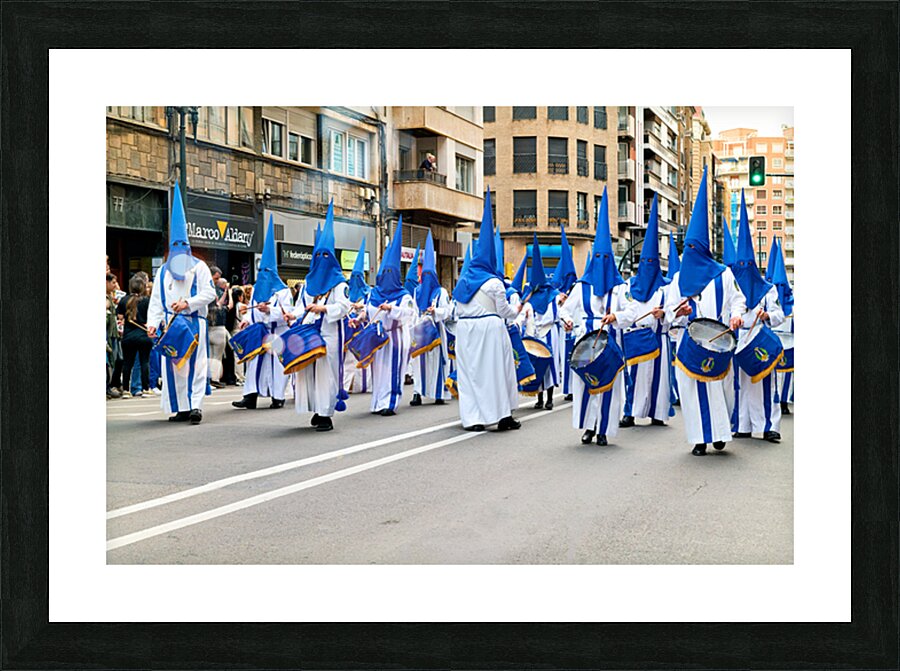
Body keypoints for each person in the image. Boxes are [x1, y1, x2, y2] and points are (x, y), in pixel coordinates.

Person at [663, 168, 746, 456]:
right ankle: (699, 438)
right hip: (690, 344)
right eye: (687, 248)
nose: (690, 252)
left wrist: (736, 315)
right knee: (690, 390)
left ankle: (720, 433)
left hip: (719, 340)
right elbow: (669, 312)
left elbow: (738, 299)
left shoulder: (723, 274)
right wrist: (679, 312)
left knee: (720, 388)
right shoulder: (678, 280)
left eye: (694, 248)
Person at [559, 187, 631, 446]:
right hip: (585, 340)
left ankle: (604, 429)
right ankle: (588, 427)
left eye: (605, 258)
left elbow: (631, 312)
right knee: (586, 385)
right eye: (597, 257)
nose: (601, 262)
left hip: (610, 341)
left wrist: (616, 317)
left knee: (609, 385)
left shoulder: (620, 288)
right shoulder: (581, 287)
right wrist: (567, 320)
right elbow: (565, 309)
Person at [146, 182, 216, 424]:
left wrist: (188, 303)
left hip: (194, 321)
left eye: (182, 245)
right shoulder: (163, 271)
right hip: (170, 324)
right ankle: (181, 408)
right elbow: (157, 300)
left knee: (196, 365)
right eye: (174, 246)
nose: (178, 250)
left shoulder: (200, 267)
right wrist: (153, 323)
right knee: (174, 365)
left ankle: (195, 406)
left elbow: (210, 293)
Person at [451, 190, 521, 432]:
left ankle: (473, 419)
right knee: (496, 373)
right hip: (490, 329)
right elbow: (504, 311)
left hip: (465, 330)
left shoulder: (462, 282)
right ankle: (502, 416)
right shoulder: (494, 283)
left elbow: (456, 309)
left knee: (470, 375)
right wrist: (516, 310)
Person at [287, 201, 352, 431]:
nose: (322, 259)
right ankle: (317, 408)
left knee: (326, 374)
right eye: (318, 255)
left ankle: (326, 414)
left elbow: (344, 307)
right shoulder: (307, 284)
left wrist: (324, 309)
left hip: (330, 335)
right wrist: (291, 315)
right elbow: (301, 307)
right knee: (310, 373)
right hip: (309, 334)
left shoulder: (340, 284)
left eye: (326, 255)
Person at [731, 191, 785, 443]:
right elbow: (727, 311)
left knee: (766, 385)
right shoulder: (732, 288)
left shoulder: (768, 289)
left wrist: (766, 315)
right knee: (741, 385)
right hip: (740, 343)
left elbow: (779, 315)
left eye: (747, 267)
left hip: (760, 340)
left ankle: (769, 426)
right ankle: (742, 424)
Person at [618, 194, 673, 429]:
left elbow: (673, 311)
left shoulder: (667, 288)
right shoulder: (631, 287)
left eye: (652, 264)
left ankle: (658, 413)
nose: (648, 268)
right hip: (639, 337)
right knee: (636, 376)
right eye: (644, 264)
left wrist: (665, 314)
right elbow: (629, 312)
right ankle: (630, 412)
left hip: (660, 337)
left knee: (660, 378)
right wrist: (616, 317)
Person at [232, 216, 293, 410]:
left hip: (277, 334)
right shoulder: (257, 290)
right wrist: (246, 320)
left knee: (277, 366)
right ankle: (250, 396)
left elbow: (288, 313)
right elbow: (252, 309)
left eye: (267, 270)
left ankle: (278, 396)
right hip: (260, 333)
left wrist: (270, 310)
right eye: (261, 270)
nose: (263, 274)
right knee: (254, 363)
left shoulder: (283, 291)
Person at [361, 216, 416, 416]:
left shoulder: (404, 295)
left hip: (395, 337)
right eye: (384, 272)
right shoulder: (374, 293)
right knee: (378, 371)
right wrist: (359, 317)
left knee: (393, 369)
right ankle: (377, 402)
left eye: (390, 272)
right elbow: (368, 311)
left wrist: (391, 308)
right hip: (377, 338)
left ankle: (390, 403)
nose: (386, 275)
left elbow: (409, 313)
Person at [411, 231, 451, 406]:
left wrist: (435, 311)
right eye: (424, 275)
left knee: (435, 362)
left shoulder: (441, 292)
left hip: (436, 330)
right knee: (418, 363)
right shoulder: (417, 291)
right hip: (421, 330)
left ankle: (438, 392)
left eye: (429, 275)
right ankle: (417, 392)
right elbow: (414, 310)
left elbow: (447, 311)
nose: (426, 278)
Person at [525, 234, 561, 411]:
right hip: (535, 334)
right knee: (536, 365)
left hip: (549, 333)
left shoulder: (553, 296)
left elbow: (556, 315)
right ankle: (539, 397)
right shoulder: (530, 298)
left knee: (548, 364)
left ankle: (549, 398)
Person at [766, 237, 794, 415]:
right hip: (772, 342)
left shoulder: (792, 306)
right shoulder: (768, 298)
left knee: (787, 374)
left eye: (782, 285)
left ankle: (784, 401)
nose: (779, 289)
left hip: (789, 343)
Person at [552, 224, 578, 402]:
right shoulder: (555, 295)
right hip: (563, 330)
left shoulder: (578, 290)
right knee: (566, 360)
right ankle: (568, 388)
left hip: (576, 330)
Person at [117, 275, 153, 397]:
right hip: (143, 335)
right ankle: (146, 388)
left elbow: (120, 317)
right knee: (144, 362)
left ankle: (126, 390)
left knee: (127, 363)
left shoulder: (123, 300)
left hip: (128, 336)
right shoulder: (147, 301)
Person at [344, 238, 372, 394]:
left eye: (358, 277)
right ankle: (347, 385)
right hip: (350, 329)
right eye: (353, 276)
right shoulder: (346, 293)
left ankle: (363, 385)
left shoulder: (369, 293)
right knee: (349, 359)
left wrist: (362, 307)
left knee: (362, 357)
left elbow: (372, 309)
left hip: (364, 330)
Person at [207, 270, 230, 389]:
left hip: (208, 327)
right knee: (216, 356)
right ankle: (214, 379)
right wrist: (227, 292)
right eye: (216, 278)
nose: (216, 281)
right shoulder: (215, 291)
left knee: (210, 355)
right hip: (217, 327)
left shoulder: (206, 289)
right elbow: (222, 306)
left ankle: (210, 379)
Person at [106, 273, 124, 398]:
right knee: (111, 360)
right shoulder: (105, 298)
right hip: (108, 334)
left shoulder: (111, 296)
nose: (115, 285)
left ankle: (114, 384)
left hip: (114, 333)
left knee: (118, 359)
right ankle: (109, 386)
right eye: (113, 283)